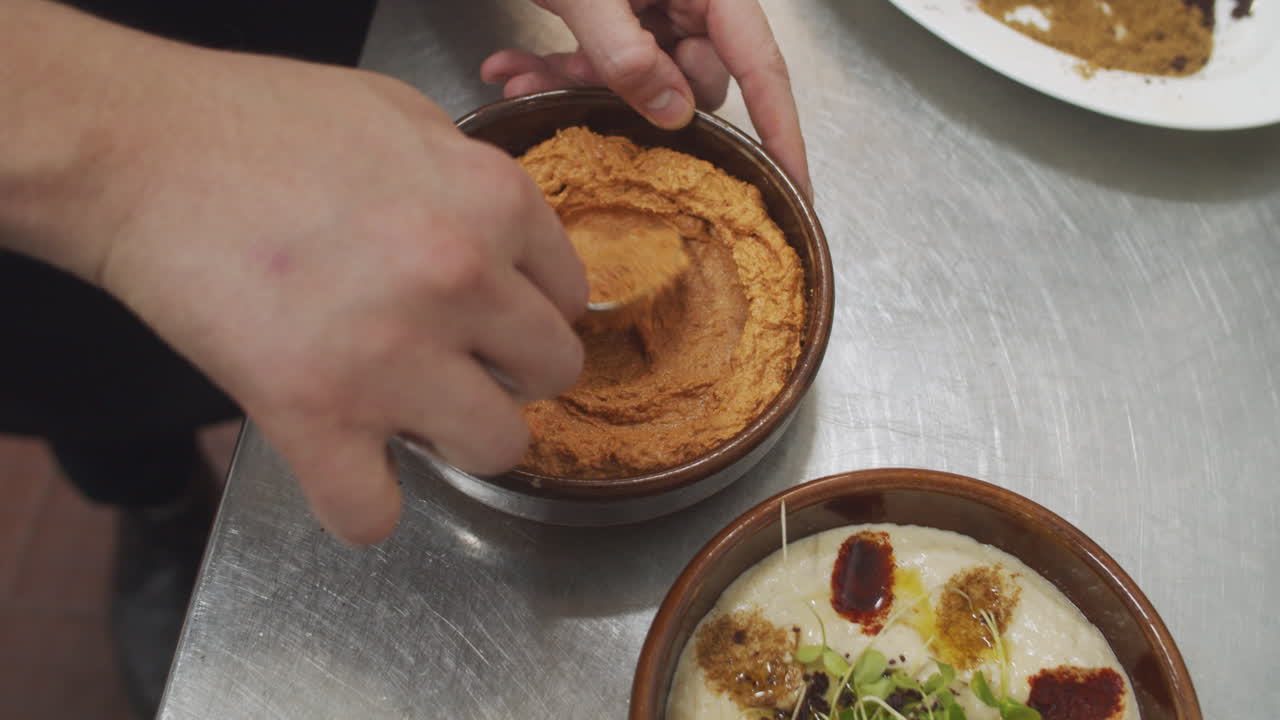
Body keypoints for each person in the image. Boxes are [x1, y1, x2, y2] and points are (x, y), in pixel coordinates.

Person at [0, 0, 809, 714]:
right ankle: (156, 506)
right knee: (114, 402)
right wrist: (126, 146)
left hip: (322, 43)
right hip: (43, 236)